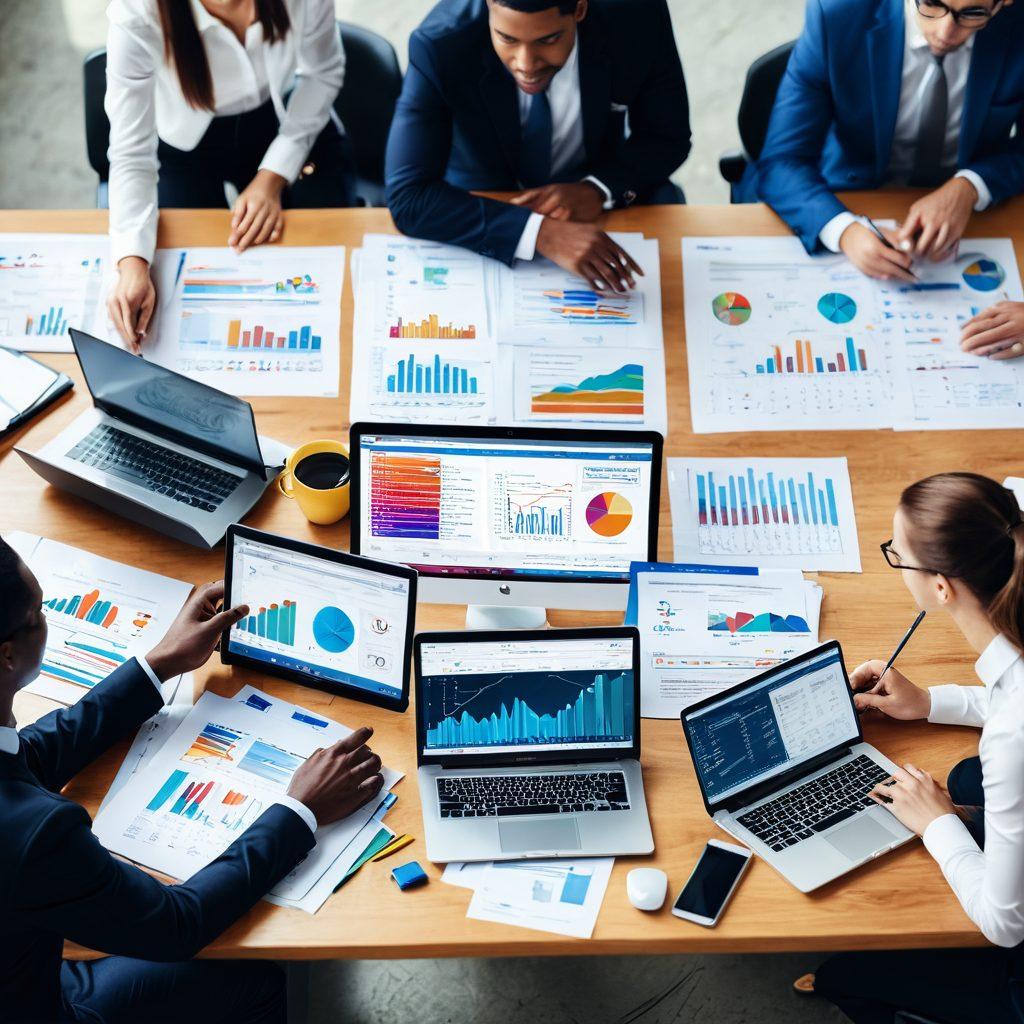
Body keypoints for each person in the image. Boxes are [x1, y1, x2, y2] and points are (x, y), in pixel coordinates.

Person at [0, 539, 384, 1024]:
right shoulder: (38, 836)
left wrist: (160, 663)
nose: (46, 614)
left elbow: (29, 755)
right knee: (256, 982)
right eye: (38, 609)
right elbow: (175, 923)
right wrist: (300, 809)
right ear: (9, 656)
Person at [796, 473, 1024, 1023]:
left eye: (896, 555)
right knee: (969, 779)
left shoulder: (1012, 737)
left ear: (941, 588)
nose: (895, 563)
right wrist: (927, 703)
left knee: (850, 975)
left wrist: (936, 821)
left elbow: (1004, 921)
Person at [384, 0, 691, 293]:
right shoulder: (440, 43)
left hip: (598, 183)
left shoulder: (637, 18)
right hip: (481, 195)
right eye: (507, 38)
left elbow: (667, 138)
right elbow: (408, 196)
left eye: (548, 39)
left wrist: (597, 189)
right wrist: (538, 232)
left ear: (580, 9)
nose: (525, 64)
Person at [105, 0, 357, 350]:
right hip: (187, 140)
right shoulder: (137, 11)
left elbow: (324, 72)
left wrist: (273, 175)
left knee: (334, 252)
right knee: (177, 281)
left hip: (281, 120)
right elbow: (131, 152)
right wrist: (132, 263)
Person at [744, 0, 1024, 281]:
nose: (944, 31)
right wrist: (845, 231)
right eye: (930, 3)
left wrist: (971, 186)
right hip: (853, 195)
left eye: (973, 13)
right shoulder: (836, 15)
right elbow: (782, 161)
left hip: (979, 218)